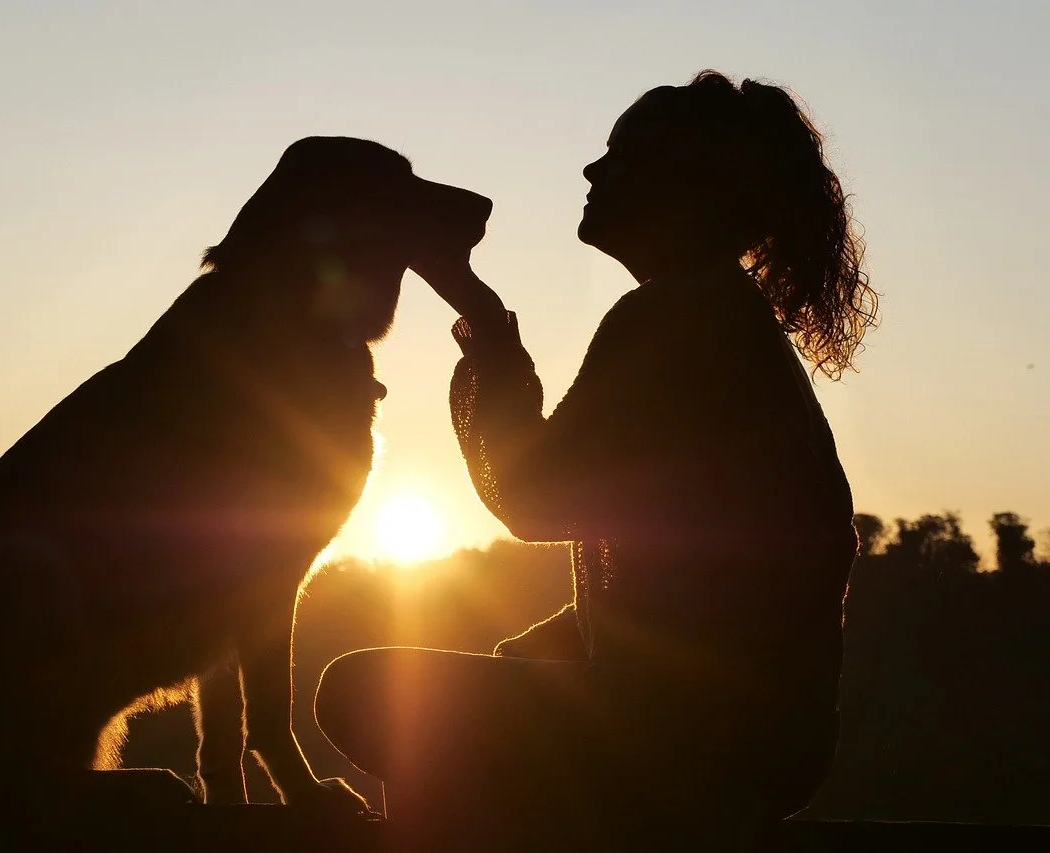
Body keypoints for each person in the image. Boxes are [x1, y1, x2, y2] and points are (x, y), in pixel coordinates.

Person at [314, 70, 877, 846]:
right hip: (765, 746)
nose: (593, 171)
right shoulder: (722, 318)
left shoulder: (676, 315)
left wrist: (477, 313)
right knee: (451, 705)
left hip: (695, 745)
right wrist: (524, 659)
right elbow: (690, 586)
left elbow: (532, 496)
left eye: (622, 154)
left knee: (360, 689)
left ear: (683, 186)